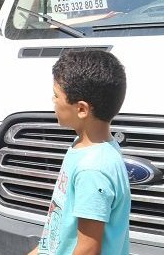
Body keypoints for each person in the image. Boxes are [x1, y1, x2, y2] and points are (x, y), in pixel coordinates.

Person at [28, 50, 130, 255]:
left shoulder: (93, 169)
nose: (53, 100)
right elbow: (59, 232)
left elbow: (87, 249)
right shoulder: (86, 148)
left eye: (57, 96)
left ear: (82, 109)